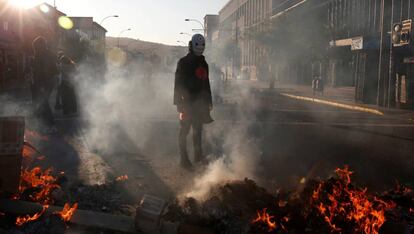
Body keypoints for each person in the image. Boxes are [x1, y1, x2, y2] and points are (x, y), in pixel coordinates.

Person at [174, 34, 213, 169]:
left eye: (203, 46)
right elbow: (178, 83)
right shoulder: (183, 62)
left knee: (198, 130)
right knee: (184, 131)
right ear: (192, 45)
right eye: (198, 46)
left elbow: (205, 83)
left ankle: (198, 156)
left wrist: (208, 101)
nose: (201, 48)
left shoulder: (203, 63)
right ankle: (183, 159)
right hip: (186, 102)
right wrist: (179, 102)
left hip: (199, 103)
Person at [31, 36, 58, 132]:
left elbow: (42, 71)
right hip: (47, 81)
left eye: (35, 46)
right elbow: (54, 69)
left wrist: (40, 83)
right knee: (42, 102)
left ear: (39, 45)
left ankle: (51, 125)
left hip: (44, 81)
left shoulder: (42, 55)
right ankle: (45, 124)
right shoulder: (48, 54)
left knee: (43, 102)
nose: (34, 48)